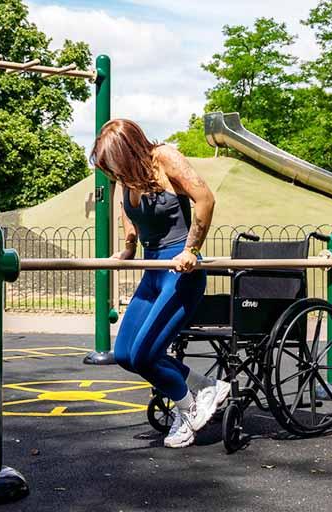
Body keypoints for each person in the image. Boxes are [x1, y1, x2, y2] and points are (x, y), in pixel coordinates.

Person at [90, 119, 230, 448]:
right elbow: (128, 213)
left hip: (179, 272)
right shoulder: (126, 177)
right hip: (152, 270)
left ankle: (188, 407)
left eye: (114, 166)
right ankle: (205, 386)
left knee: (144, 356)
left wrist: (191, 249)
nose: (113, 175)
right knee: (124, 353)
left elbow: (205, 199)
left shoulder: (164, 157)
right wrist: (127, 247)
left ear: (128, 151)